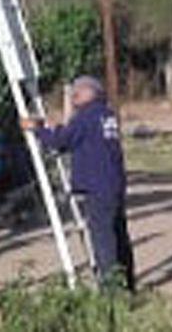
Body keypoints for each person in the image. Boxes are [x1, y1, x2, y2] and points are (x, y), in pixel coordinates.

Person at [22, 75, 136, 291]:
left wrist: (37, 129)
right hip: (114, 184)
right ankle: (128, 285)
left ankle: (112, 293)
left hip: (98, 187)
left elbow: (60, 141)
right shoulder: (105, 114)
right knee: (119, 236)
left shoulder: (86, 117)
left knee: (103, 242)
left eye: (77, 92)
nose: (74, 97)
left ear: (90, 92)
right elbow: (74, 138)